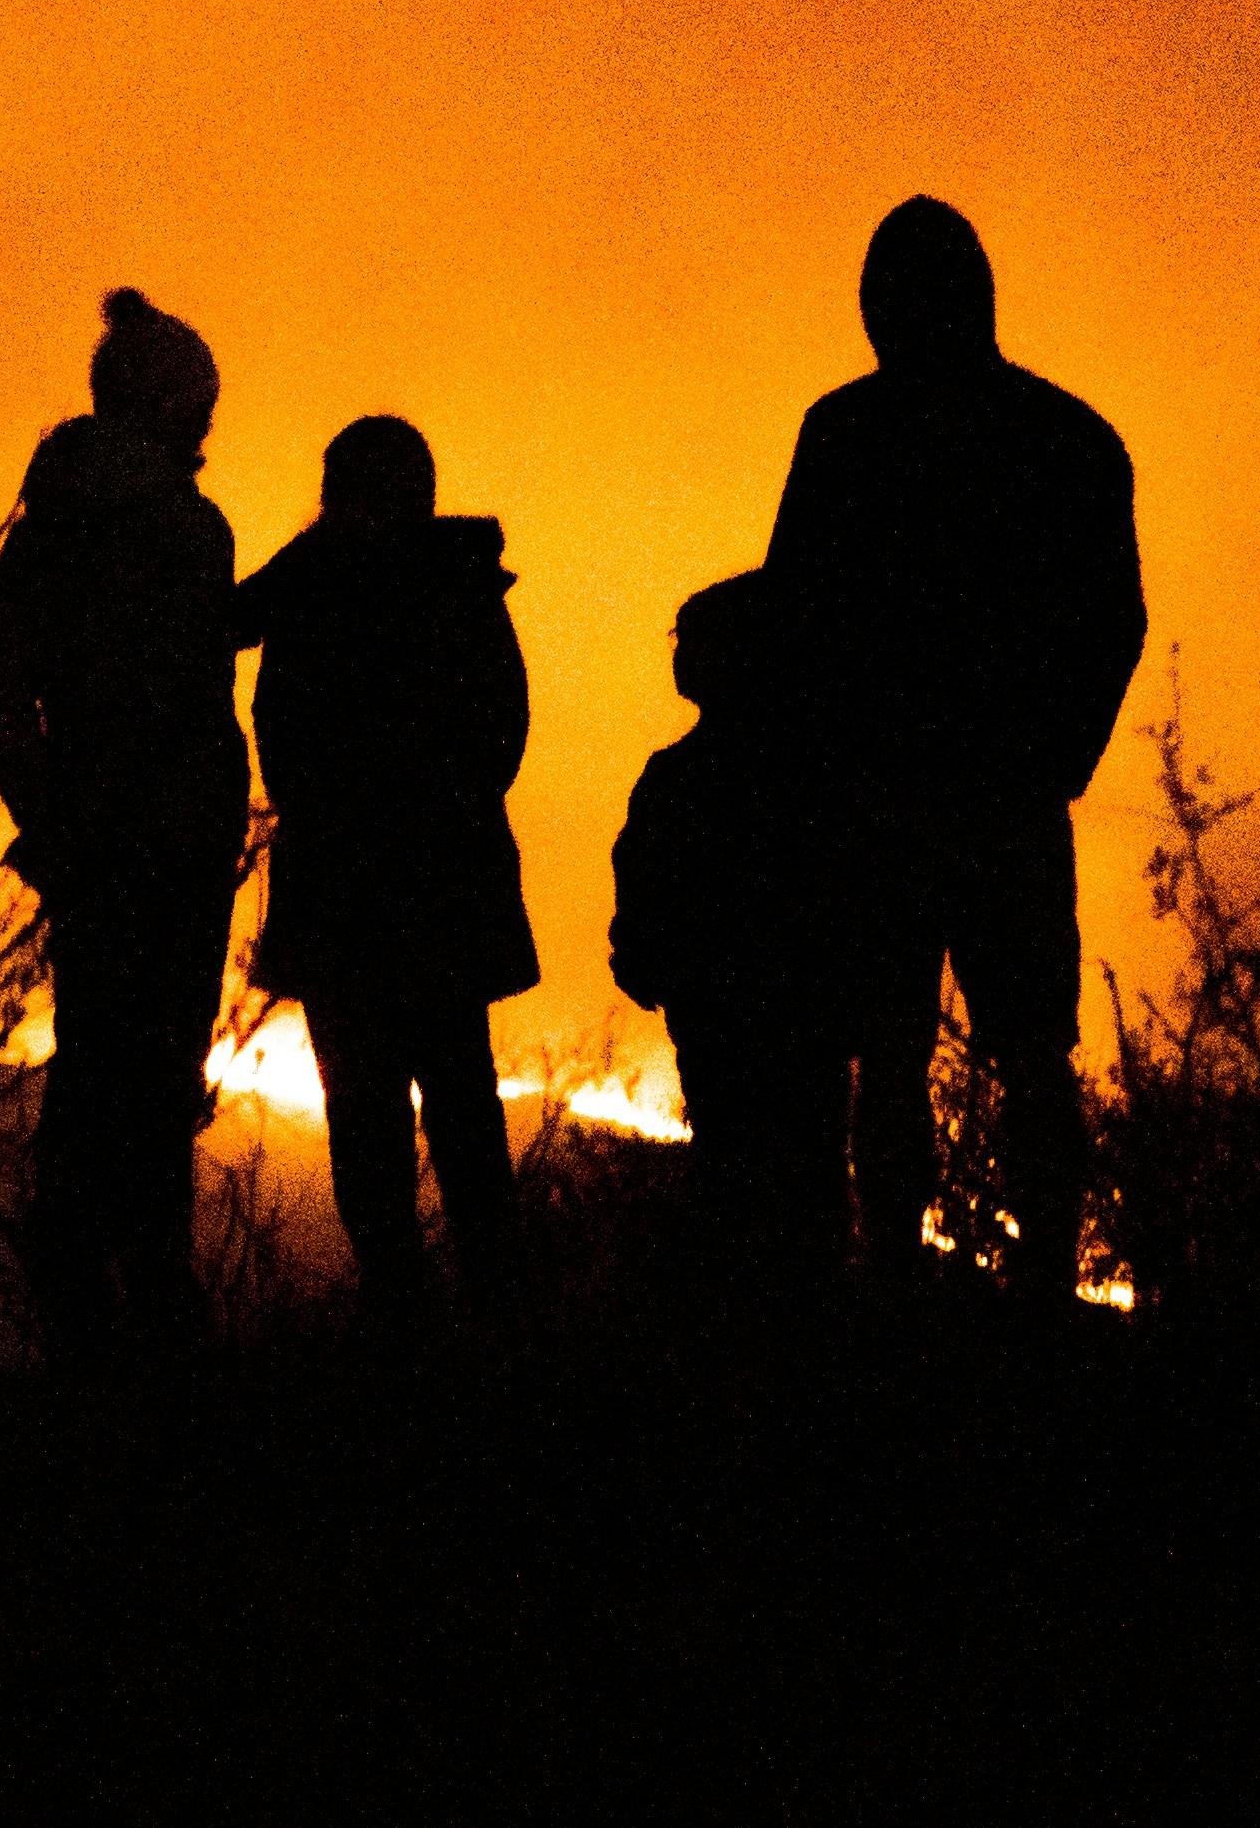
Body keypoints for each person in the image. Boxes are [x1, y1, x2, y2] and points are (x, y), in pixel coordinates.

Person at [766, 196, 1145, 1300]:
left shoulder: (844, 432)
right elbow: (1110, 624)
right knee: (1022, 1058)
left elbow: (800, 610)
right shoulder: (1069, 437)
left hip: (896, 799)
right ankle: (1031, 1289)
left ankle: (896, 1274)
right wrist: (1053, 758)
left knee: (900, 1053)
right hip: (991, 799)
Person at [0, 287, 248, 1358]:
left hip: (114, 842)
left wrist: (49, 817)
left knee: (100, 1072)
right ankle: (139, 1323)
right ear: (177, 403)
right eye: (200, 402)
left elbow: (3, 695)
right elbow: (185, 694)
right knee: (140, 1084)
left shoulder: (54, 525)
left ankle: (98, 1316)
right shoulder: (186, 525)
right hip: (168, 847)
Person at [237, 415, 537, 1322]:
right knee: (456, 1100)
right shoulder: (462, 587)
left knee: (371, 1112)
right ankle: (493, 1311)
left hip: (344, 896)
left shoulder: (311, 586)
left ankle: (405, 1315)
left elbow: (271, 722)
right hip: (441, 889)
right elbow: (502, 732)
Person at [611, 568, 923, 1289]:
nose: (680, 655)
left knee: (746, 1173)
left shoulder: (690, 776)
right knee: (798, 1174)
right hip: (777, 1015)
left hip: (737, 1013)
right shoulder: (817, 780)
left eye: (692, 641)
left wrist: (642, 958)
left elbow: (645, 882)